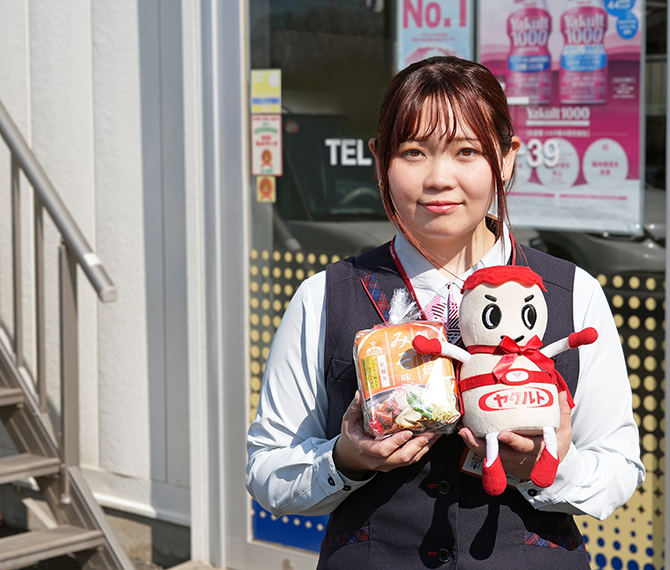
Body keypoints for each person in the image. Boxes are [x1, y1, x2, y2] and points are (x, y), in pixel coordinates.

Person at [247, 56, 644, 569]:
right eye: (413, 152)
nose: (439, 178)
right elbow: (267, 471)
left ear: (506, 159)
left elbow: (618, 470)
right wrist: (345, 459)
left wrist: (546, 466)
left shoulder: (572, 293)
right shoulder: (324, 296)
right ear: (380, 161)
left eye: (467, 152)